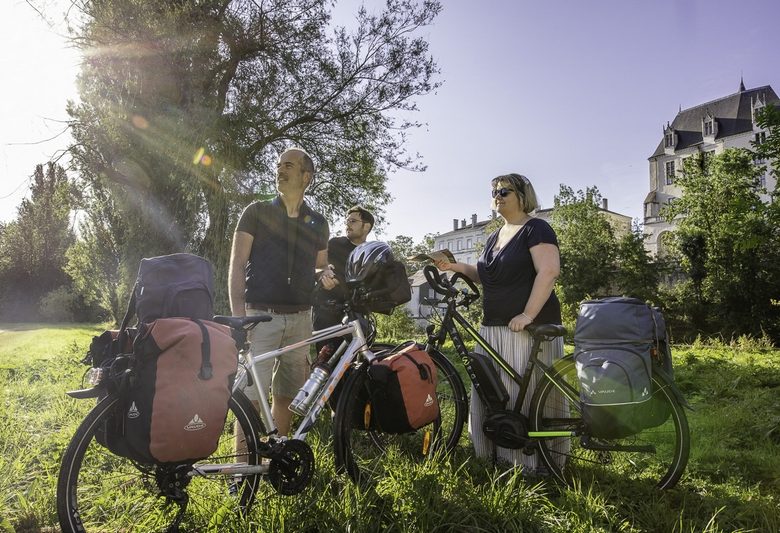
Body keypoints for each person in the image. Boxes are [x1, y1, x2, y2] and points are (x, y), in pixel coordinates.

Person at [435, 173, 565, 473]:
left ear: (523, 195)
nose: (498, 195)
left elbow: (549, 272)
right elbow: (486, 275)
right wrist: (454, 266)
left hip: (527, 329)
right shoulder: (496, 235)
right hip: (492, 327)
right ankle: (498, 459)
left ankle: (534, 465)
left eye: (505, 190)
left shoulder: (536, 228)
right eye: (494, 191)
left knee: (527, 396)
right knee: (494, 393)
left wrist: (528, 314)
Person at [229, 147, 335, 437]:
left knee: (287, 397)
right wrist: (239, 319)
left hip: (301, 320)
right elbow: (237, 266)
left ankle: (278, 456)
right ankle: (242, 474)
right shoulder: (256, 212)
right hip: (260, 318)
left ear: (306, 177)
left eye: (288, 165)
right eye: (279, 165)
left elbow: (320, 266)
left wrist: (325, 274)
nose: (280, 170)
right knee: (250, 401)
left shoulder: (318, 222)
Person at [312, 205, 375, 355]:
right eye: (347, 221)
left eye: (353, 221)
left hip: (356, 316)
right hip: (327, 313)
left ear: (366, 227)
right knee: (326, 362)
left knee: (355, 364)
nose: (347, 224)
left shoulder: (371, 252)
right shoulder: (333, 244)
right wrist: (321, 276)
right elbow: (316, 267)